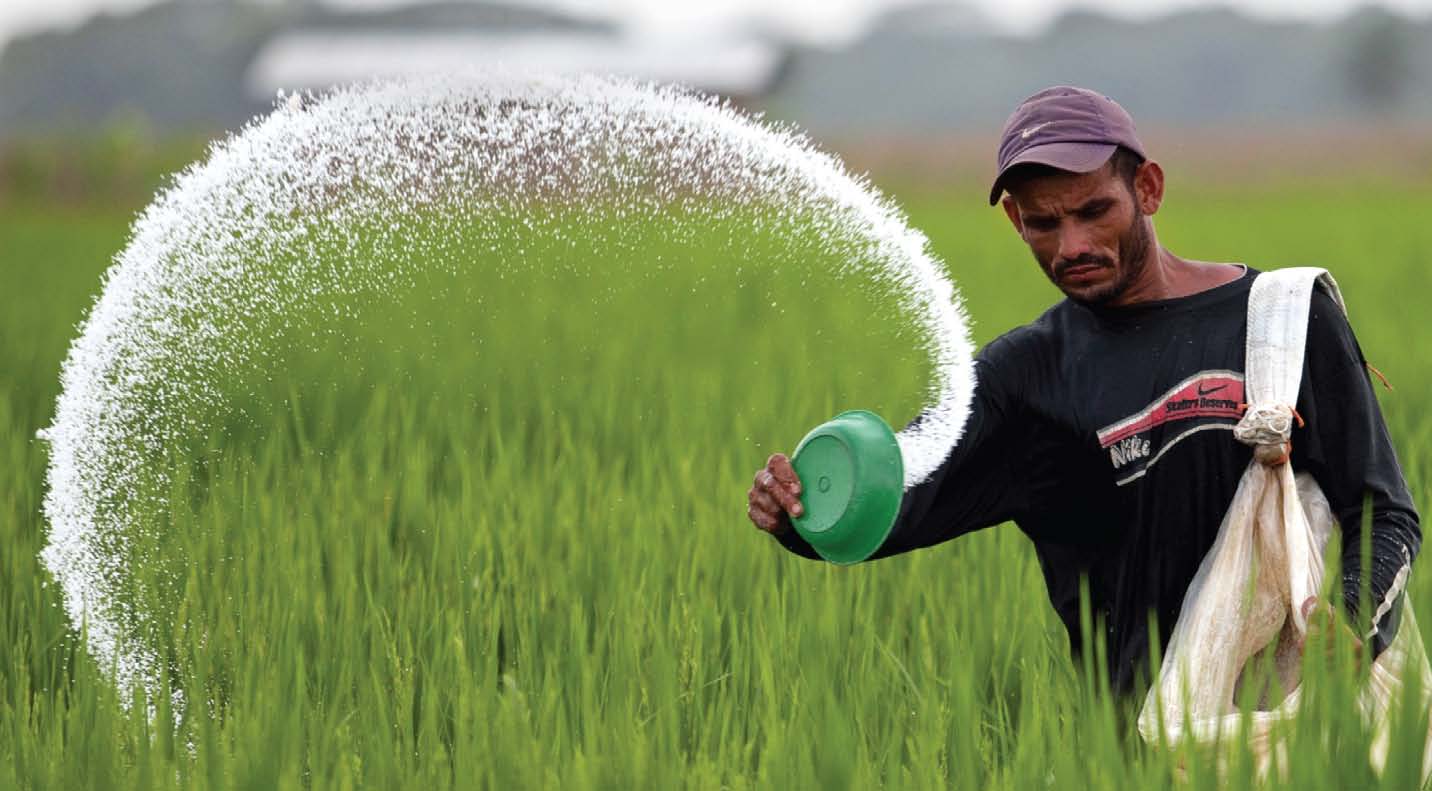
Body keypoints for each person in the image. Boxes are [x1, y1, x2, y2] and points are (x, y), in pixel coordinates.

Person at [745, 85, 1421, 695]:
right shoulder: (1028, 377)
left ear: (1148, 189)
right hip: (1141, 751)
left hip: (1295, 724)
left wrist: (1353, 623)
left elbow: (1382, 509)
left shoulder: (1282, 318)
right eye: (1043, 223)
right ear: (1015, 220)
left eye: (1095, 211)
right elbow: (899, 498)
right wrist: (799, 513)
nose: (1071, 245)